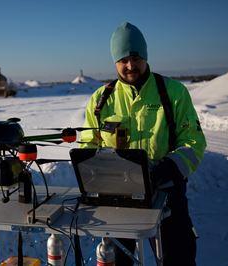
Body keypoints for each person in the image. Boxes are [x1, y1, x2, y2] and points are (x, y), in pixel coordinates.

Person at [80, 22, 206, 265]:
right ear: (115, 61)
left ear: (145, 56)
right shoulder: (100, 99)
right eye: (123, 59)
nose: (130, 65)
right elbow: (89, 143)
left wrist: (169, 167)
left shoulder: (173, 92)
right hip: (118, 197)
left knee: (178, 257)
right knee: (117, 260)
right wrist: (92, 168)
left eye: (136, 57)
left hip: (167, 193)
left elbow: (194, 141)